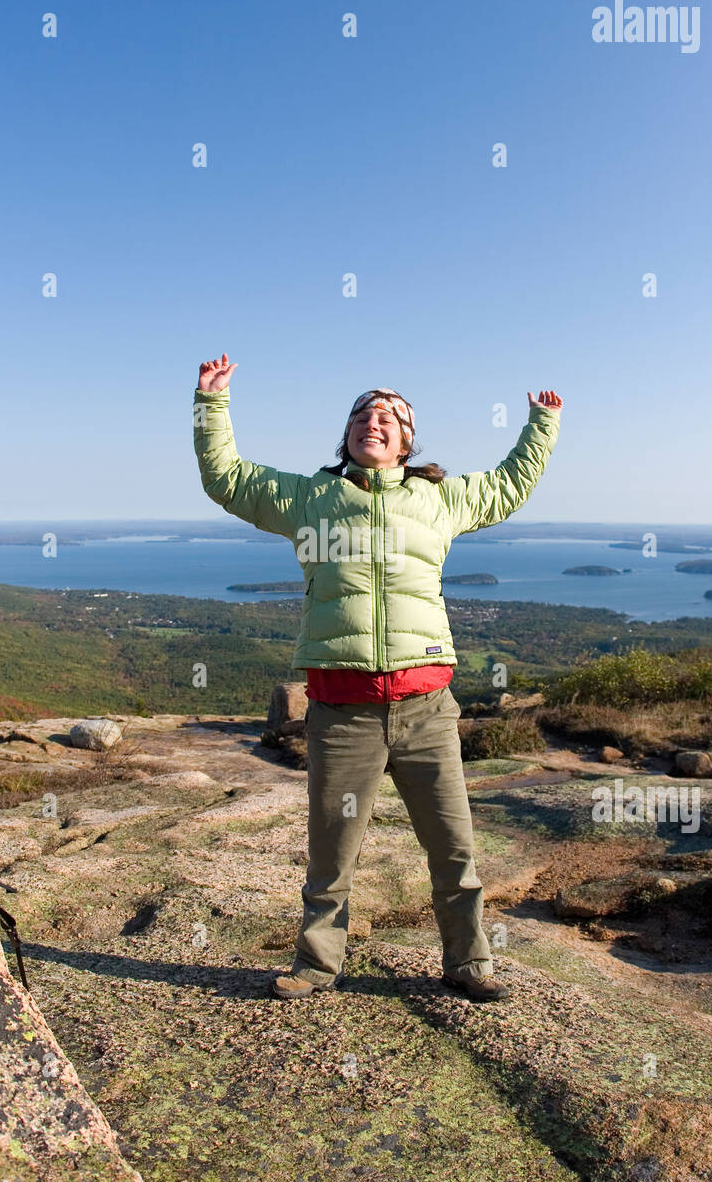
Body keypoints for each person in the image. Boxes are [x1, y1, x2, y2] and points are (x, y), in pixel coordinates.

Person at [193, 354, 563, 1002]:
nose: (375, 421)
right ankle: (315, 965)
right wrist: (211, 405)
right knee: (331, 857)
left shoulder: (439, 498)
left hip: (427, 710)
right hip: (343, 714)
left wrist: (543, 424)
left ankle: (469, 962)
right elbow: (228, 479)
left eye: (389, 416)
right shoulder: (310, 497)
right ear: (348, 436)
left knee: (454, 850)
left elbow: (508, 486)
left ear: (407, 439)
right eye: (364, 415)